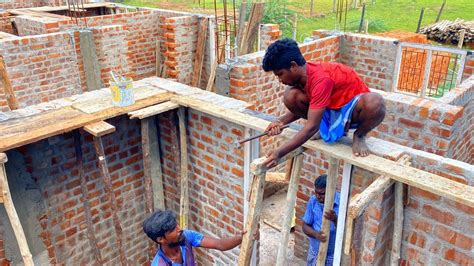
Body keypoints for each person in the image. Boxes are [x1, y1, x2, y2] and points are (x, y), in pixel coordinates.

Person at [261, 38, 385, 168]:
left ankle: (359, 135)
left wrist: (279, 152)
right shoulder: (303, 76)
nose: (280, 80)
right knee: (290, 95)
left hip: (350, 109)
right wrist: (280, 122)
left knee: (375, 103)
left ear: (293, 66)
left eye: (280, 74)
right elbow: (312, 104)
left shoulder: (321, 79)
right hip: (328, 107)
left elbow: (311, 127)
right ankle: (322, 125)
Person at [143, 209, 245, 265]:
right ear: (161, 239)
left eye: (177, 224)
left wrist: (242, 236)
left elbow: (220, 244)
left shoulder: (186, 236)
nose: (180, 229)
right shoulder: (160, 264)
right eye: (173, 229)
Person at [302, 174, 340, 266]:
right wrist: (316, 234)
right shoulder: (313, 201)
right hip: (315, 251)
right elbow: (305, 226)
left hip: (333, 254)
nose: (318, 196)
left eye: (322, 194)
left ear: (331, 191)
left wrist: (335, 219)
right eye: (316, 193)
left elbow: (347, 231)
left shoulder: (341, 203)